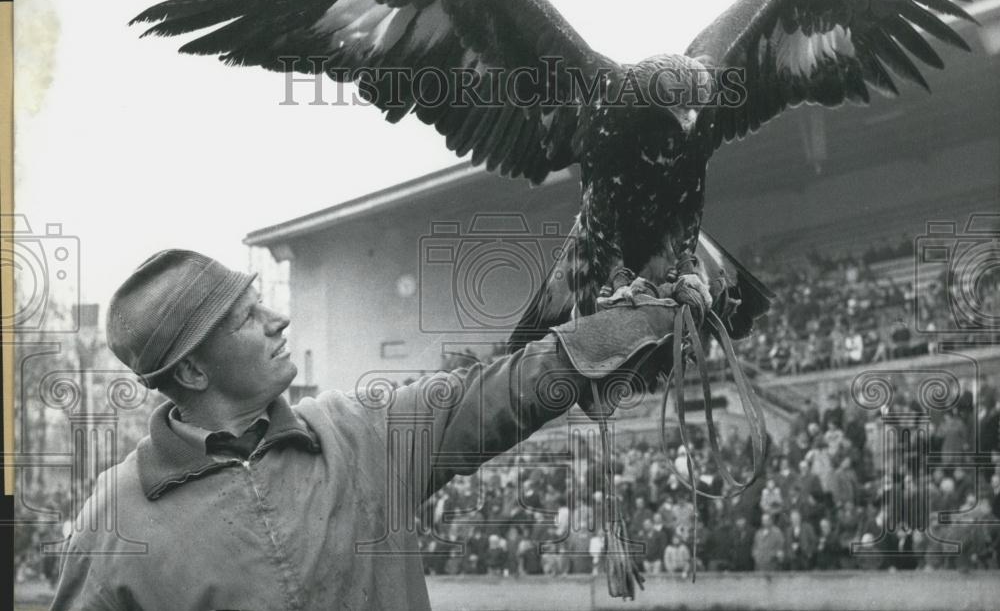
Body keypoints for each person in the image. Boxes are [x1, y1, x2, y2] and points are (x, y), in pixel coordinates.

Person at [52, 249, 683, 610]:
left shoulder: (364, 432)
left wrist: (633, 323)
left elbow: (501, 391)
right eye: (248, 317)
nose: (279, 321)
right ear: (191, 368)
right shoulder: (114, 525)